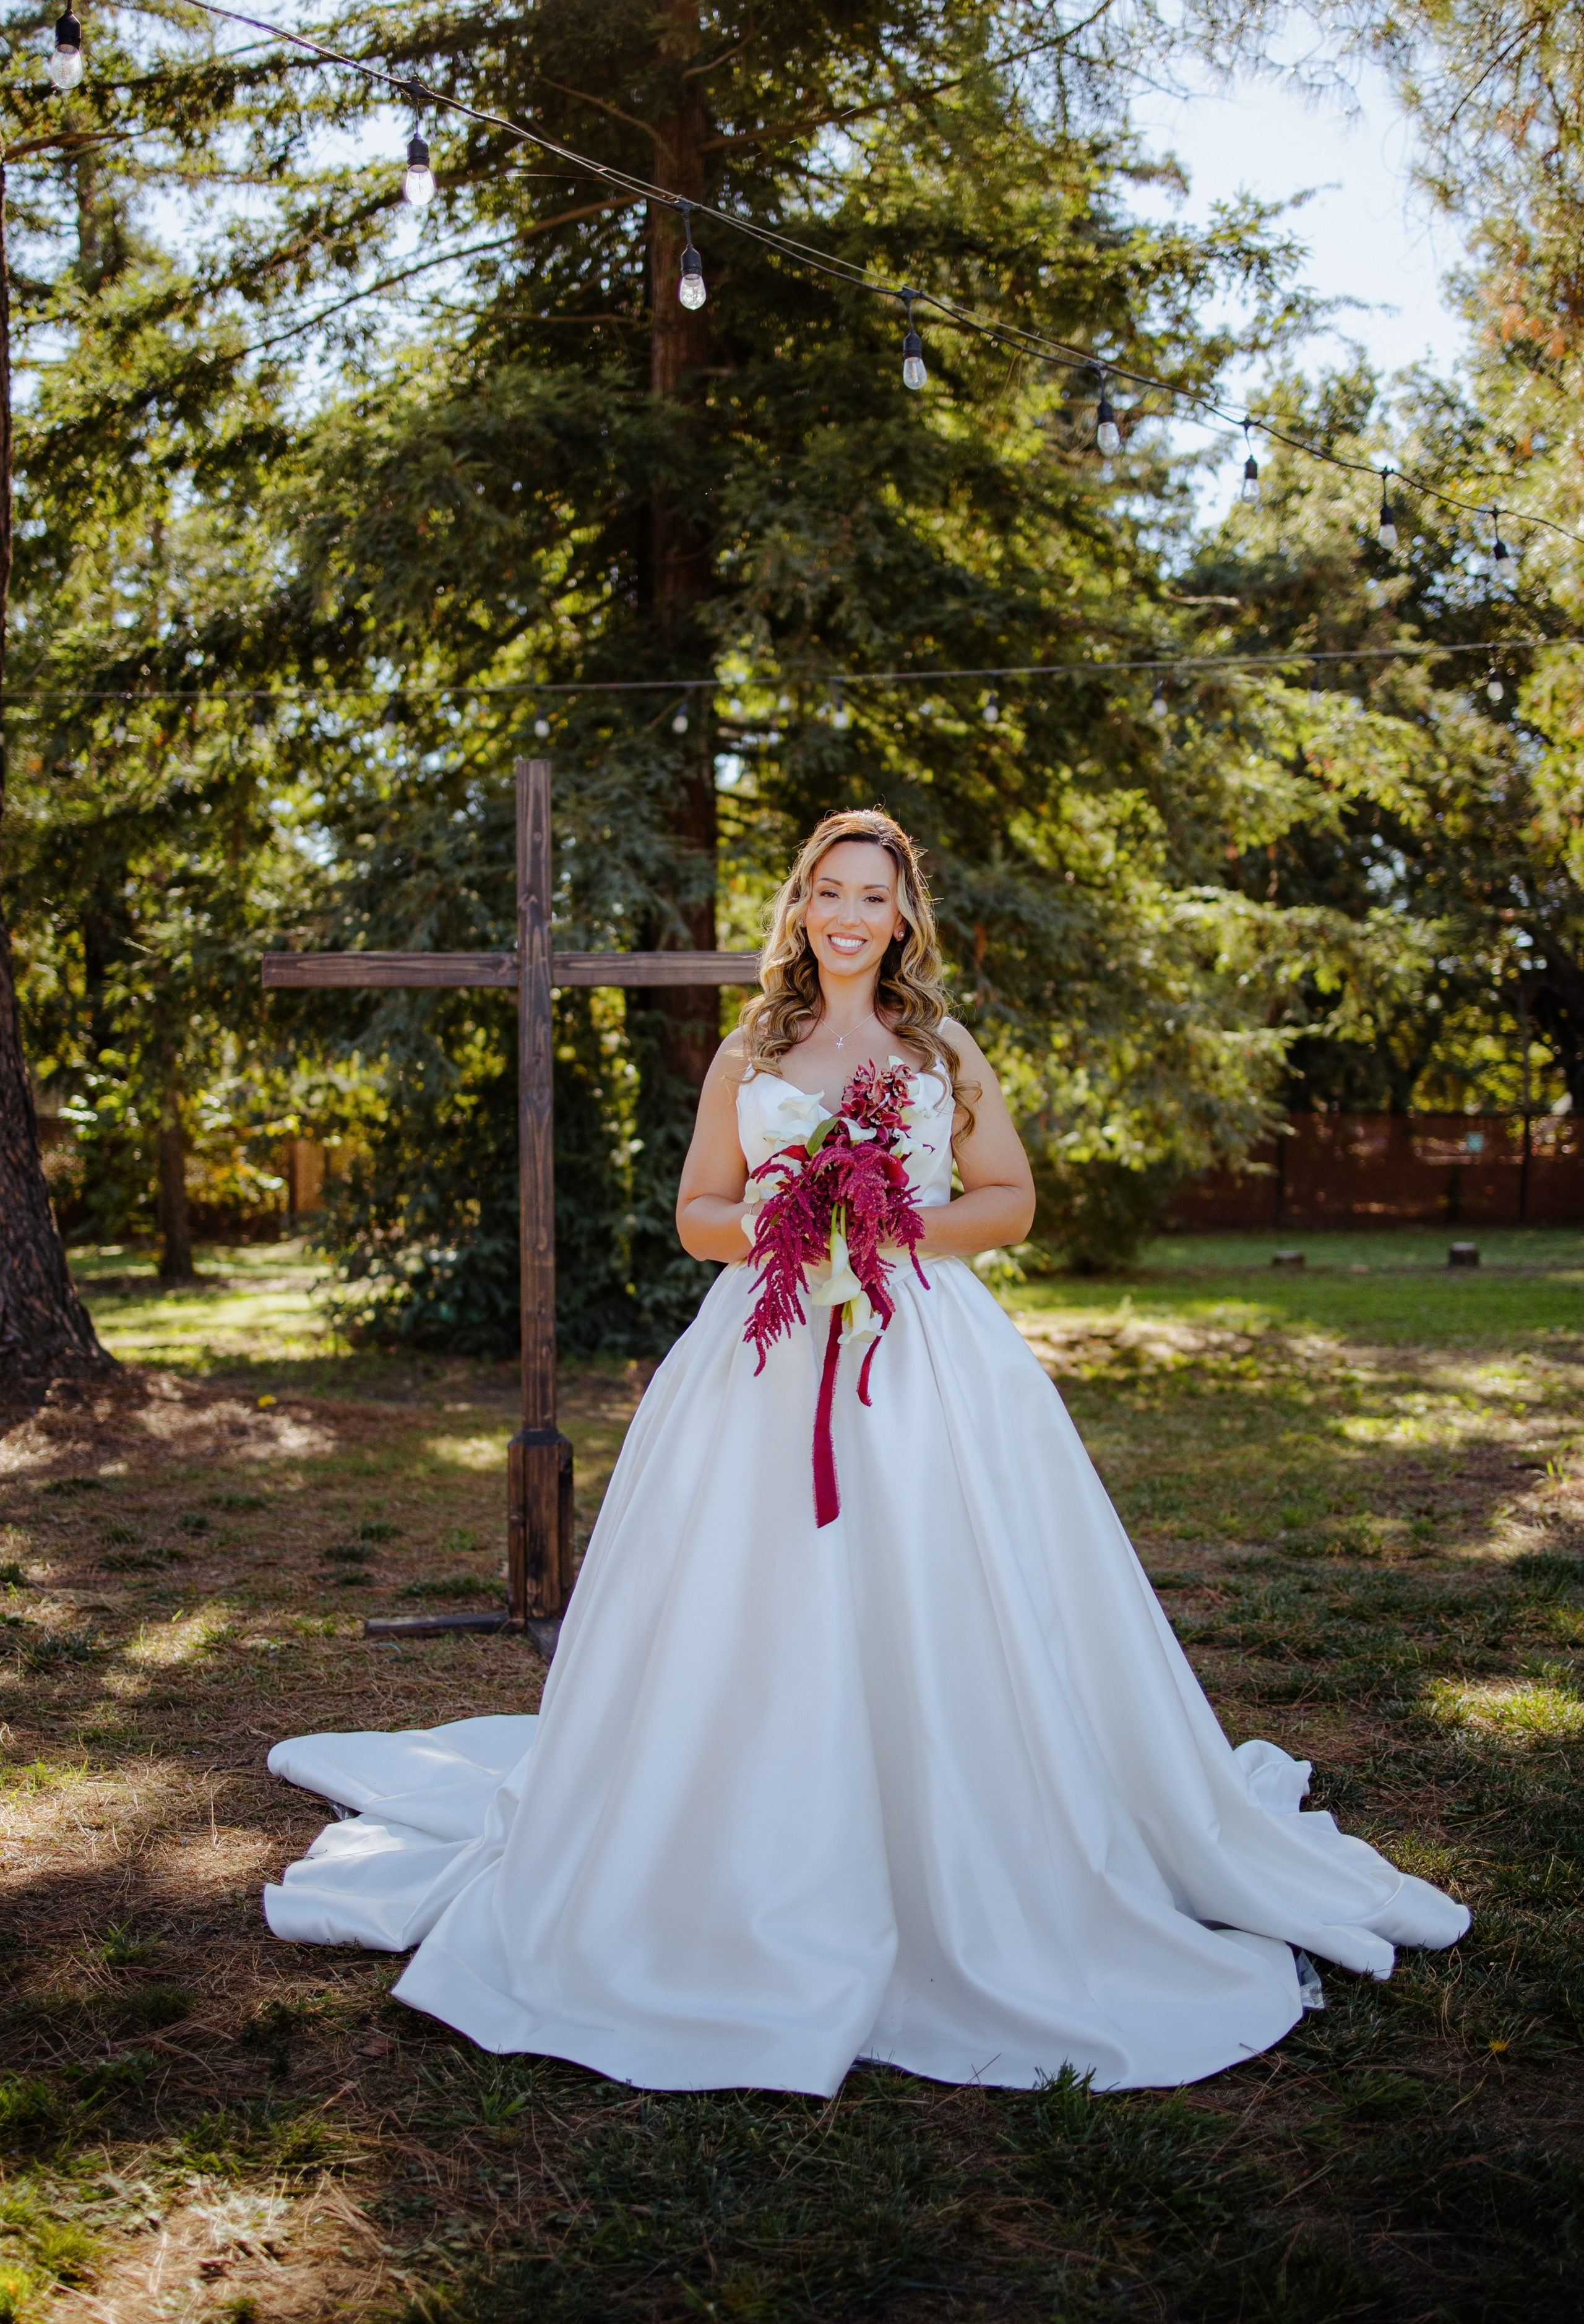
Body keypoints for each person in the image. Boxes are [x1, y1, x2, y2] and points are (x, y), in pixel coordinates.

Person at [264, 807, 1468, 2094]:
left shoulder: (940, 1043)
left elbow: (1007, 1198)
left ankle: (973, 1832)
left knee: (941, 1579)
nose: (846, 915)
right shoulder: (754, 1044)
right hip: (766, 1348)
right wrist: (794, 1220)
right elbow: (693, 1215)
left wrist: (891, 1226)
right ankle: (747, 1840)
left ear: (901, 916)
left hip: (925, 1348)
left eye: (870, 897)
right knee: (755, 1589)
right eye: (826, 892)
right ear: (799, 907)